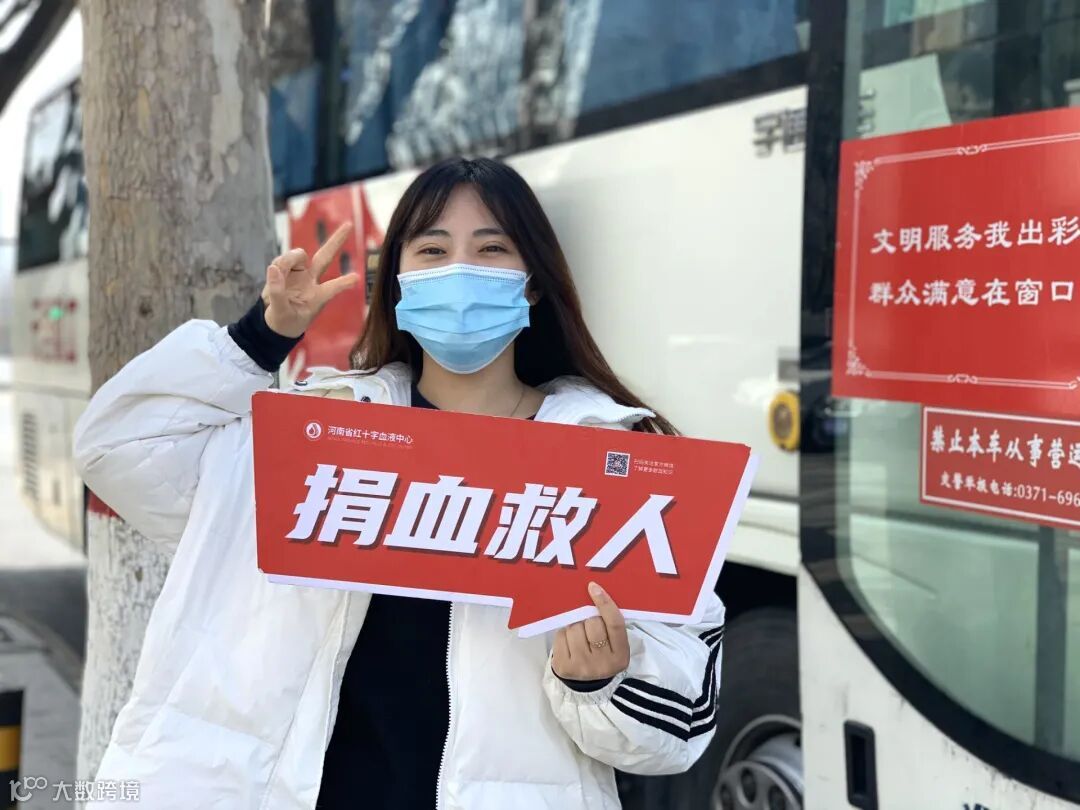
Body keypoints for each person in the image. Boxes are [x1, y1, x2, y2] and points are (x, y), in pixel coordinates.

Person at [74, 157, 726, 810]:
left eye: (491, 249)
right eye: (433, 251)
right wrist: (260, 337)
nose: (460, 273)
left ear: (532, 284)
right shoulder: (317, 435)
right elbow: (119, 448)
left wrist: (601, 683)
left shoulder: (611, 460)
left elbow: (680, 723)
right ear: (398, 282)